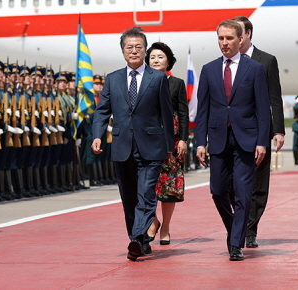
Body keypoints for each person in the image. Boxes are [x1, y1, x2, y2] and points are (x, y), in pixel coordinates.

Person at [92, 27, 174, 262]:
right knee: (129, 198)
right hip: (122, 146)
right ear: (123, 51)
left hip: (151, 147)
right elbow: (102, 111)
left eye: (139, 47)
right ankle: (140, 241)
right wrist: (97, 134)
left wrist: (169, 147)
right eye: (130, 47)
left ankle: (137, 238)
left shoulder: (158, 78)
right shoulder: (113, 78)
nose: (134, 51)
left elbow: (166, 116)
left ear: (145, 50)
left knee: (146, 194)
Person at [194, 19, 270, 261]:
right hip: (217, 139)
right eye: (221, 38)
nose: (224, 43)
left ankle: (235, 244)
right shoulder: (208, 69)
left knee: (243, 193)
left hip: (246, 139)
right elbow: (202, 110)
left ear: (240, 40)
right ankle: (233, 229)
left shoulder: (254, 69)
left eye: (229, 38)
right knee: (217, 191)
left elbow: (262, 108)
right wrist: (200, 142)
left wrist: (262, 141)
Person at [232, 15, 285, 249]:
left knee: (258, 185)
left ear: (248, 34)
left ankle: (250, 229)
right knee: (234, 184)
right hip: (234, 131)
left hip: (260, 130)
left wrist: (279, 130)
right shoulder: (227, 62)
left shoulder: (267, 61)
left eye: (239, 32)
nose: (235, 38)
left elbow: (275, 98)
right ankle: (238, 225)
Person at [144, 42, 188, 246]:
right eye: (152, 57)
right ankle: (153, 221)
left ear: (169, 60)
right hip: (147, 140)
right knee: (146, 186)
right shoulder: (141, 81)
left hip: (171, 141)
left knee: (168, 186)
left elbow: (183, 113)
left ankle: (166, 227)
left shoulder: (176, 83)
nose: (155, 60)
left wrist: (183, 139)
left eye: (160, 57)